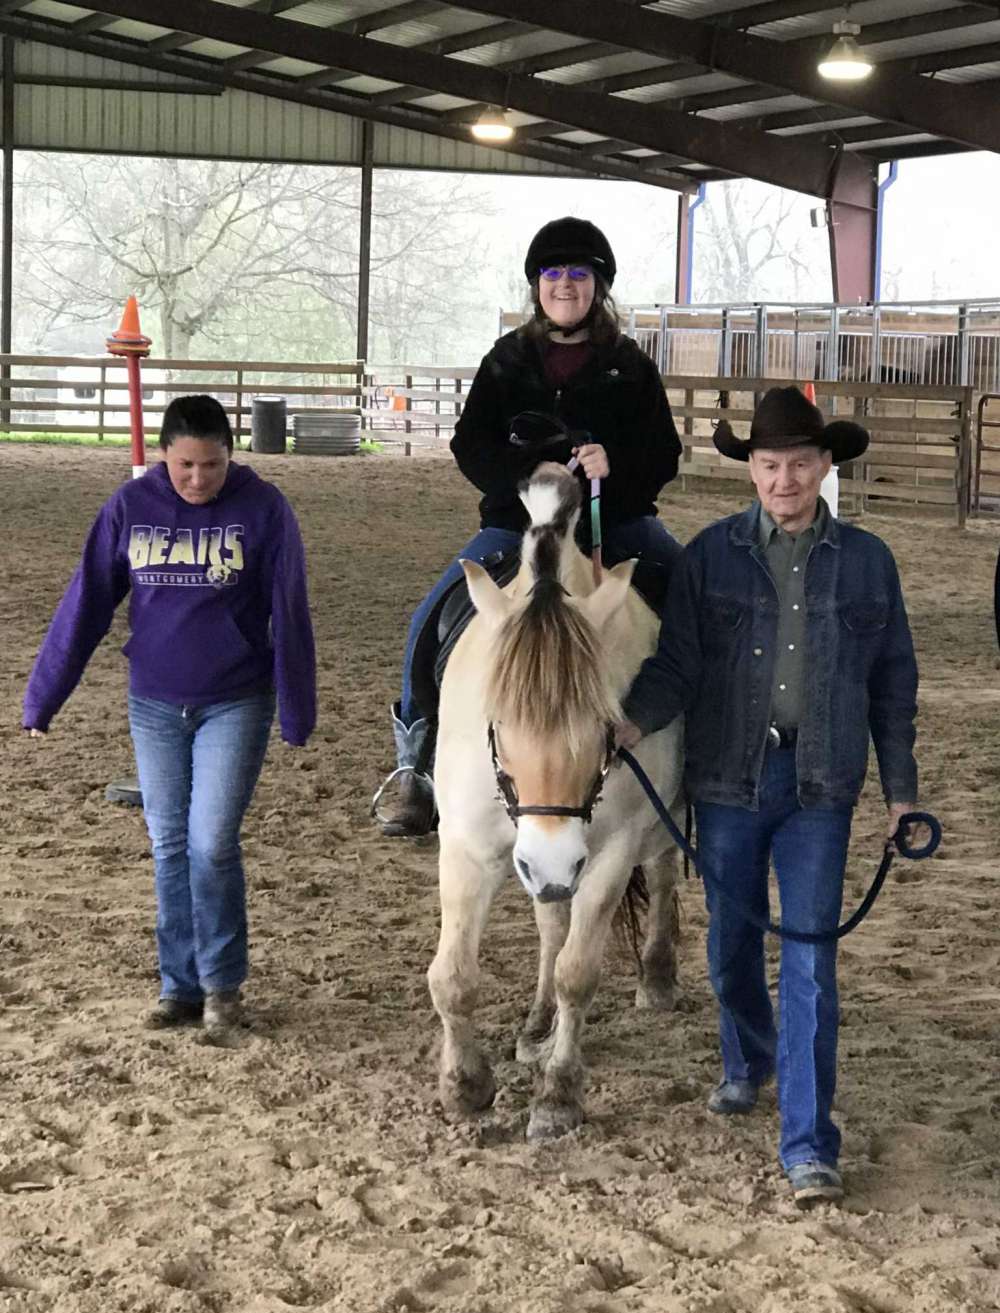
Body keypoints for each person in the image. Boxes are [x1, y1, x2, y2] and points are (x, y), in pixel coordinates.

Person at [617, 386, 919, 1207]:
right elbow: (677, 666)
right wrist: (625, 727)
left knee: (813, 959)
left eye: (798, 463)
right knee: (729, 949)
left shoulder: (868, 562)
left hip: (822, 784)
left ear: (826, 466)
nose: (784, 479)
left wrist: (902, 793)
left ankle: (809, 1141)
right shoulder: (707, 557)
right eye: (768, 464)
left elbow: (894, 684)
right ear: (748, 469)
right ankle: (748, 1057)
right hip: (727, 781)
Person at [373, 215, 684, 836]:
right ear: (536, 285)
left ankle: (705, 761)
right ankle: (416, 767)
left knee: (695, 594)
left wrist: (613, 468)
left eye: (577, 273)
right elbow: (469, 444)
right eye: (552, 274)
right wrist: (525, 472)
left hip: (612, 525)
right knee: (430, 618)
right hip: (515, 528)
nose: (564, 284)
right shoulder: (507, 360)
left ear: (598, 285)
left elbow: (665, 454)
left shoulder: (630, 366)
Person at [23, 395, 316, 1035]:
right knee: (169, 844)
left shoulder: (264, 510)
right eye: (184, 465)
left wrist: (297, 710)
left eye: (211, 466)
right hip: (153, 701)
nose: (196, 480)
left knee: (211, 843)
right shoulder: (130, 508)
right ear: (164, 456)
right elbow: (87, 602)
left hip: (235, 699)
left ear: (229, 456)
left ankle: (222, 986)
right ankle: (179, 986)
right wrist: (44, 695)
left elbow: (289, 609)